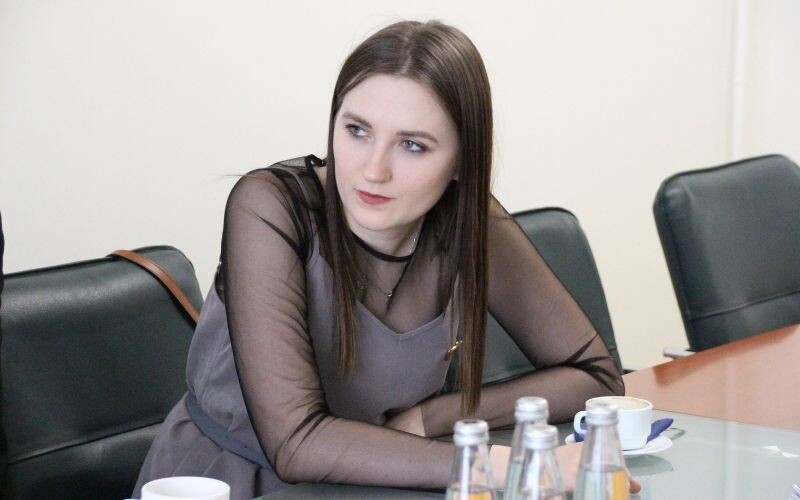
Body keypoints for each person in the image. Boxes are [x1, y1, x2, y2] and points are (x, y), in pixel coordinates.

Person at [134, 20, 631, 499]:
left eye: (412, 145)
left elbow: (595, 375)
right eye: (357, 130)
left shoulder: (468, 223)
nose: (373, 170)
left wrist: (435, 417)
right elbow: (296, 443)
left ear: (462, 161)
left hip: (383, 480)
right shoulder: (271, 206)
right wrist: (505, 463)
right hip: (230, 483)